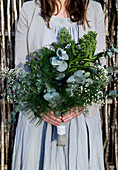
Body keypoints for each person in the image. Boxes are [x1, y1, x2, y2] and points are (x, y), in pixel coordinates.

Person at [11, 0, 106, 169]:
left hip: (79, 118)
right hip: (39, 119)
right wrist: (38, 107)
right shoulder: (30, 10)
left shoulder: (93, 9)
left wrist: (81, 105)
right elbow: (21, 68)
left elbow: (99, 67)